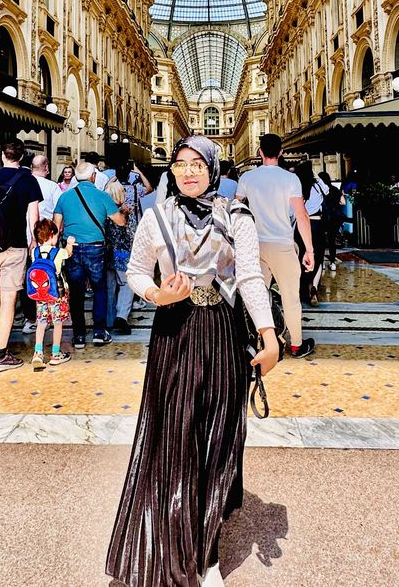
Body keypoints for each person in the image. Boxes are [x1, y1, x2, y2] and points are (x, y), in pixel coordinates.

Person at [106, 136, 278, 587]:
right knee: (177, 438)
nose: (188, 172)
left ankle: (207, 552)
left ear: (213, 168)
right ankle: (178, 544)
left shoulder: (235, 215)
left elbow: (249, 277)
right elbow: (136, 271)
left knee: (218, 437)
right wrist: (158, 295)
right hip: (174, 334)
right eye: (181, 164)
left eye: (198, 163)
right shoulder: (155, 216)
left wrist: (268, 333)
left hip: (221, 332)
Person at [236, 133, 316, 358]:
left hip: (256, 246)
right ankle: (296, 345)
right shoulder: (290, 179)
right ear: (281, 153)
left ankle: (262, 344)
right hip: (283, 245)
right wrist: (309, 250)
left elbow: (236, 207)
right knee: (291, 298)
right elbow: (301, 216)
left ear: (259, 152)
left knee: (257, 296)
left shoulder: (248, 178)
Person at [0, 139, 42, 372]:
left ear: (2, 155)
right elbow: (33, 216)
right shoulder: (28, 181)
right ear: (22, 158)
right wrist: (34, 241)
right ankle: (1, 356)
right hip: (14, 245)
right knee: (9, 298)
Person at [53, 160, 129, 349]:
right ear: (93, 176)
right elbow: (120, 222)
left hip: (72, 249)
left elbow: (56, 227)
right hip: (96, 249)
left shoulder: (64, 197)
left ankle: (78, 336)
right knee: (99, 289)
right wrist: (124, 211)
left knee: (76, 293)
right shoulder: (102, 196)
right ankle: (98, 332)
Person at [20, 155, 63, 334]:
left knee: (28, 277)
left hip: (24, 237)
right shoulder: (53, 187)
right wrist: (55, 237)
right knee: (50, 276)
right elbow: (59, 213)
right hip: (47, 239)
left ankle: (30, 318)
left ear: (31, 167)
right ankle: (50, 315)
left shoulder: (22, 183)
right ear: (46, 167)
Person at [28, 219, 74, 370]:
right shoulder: (58, 252)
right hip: (57, 295)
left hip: (40, 294)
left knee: (41, 322)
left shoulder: (34, 252)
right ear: (52, 234)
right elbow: (68, 253)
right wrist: (70, 243)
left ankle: (38, 353)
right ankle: (55, 354)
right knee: (58, 323)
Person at [294, 160, 328, 307]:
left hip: (301, 226)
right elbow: (327, 190)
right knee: (318, 257)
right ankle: (313, 287)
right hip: (317, 224)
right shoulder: (318, 187)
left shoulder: (297, 188)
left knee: (300, 256)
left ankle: (300, 290)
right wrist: (315, 175)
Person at [105, 181, 136, 335]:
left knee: (109, 286)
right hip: (123, 253)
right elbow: (132, 234)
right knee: (126, 284)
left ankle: (109, 320)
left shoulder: (103, 212)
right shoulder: (126, 212)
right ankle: (121, 316)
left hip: (107, 252)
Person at [318, 170, 346, 271]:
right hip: (335, 217)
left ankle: (322, 263)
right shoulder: (335, 189)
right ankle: (332, 263)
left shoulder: (320, 189)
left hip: (324, 217)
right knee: (332, 240)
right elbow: (343, 202)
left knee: (321, 241)